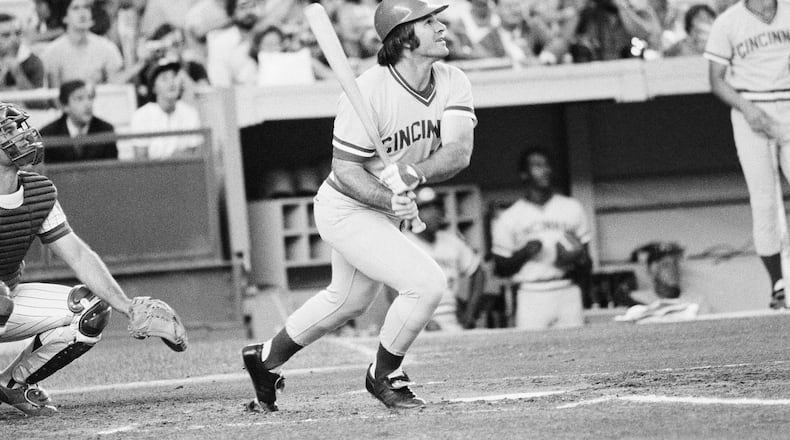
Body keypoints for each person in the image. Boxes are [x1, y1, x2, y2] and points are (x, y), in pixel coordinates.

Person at [242, 0, 476, 412]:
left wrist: (413, 176)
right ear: (404, 38)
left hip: (384, 209)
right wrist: (391, 197)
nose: (442, 27)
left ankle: (264, 360)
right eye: (429, 21)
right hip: (345, 208)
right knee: (426, 284)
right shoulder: (367, 90)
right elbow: (347, 171)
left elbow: (458, 152)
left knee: (347, 300)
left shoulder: (453, 80)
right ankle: (384, 375)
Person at [0, 102, 187, 416]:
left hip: (7, 301)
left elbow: (79, 255)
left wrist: (126, 305)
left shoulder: (38, 192)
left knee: (92, 310)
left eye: (19, 128)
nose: (21, 136)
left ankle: (13, 383)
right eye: (7, 131)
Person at [705, 0, 790, 310]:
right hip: (750, 110)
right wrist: (748, 109)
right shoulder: (728, 23)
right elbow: (716, 79)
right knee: (765, 200)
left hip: (788, 103)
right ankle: (778, 284)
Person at [490, 147, 592, 330]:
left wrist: (577, 257)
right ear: (524, 174)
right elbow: (499, 268)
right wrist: (524, 253)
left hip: (566, 288)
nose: (545, 170)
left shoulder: (571, 207)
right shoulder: (510, 216)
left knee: (578, 349)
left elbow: (587, 261)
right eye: (537, 166)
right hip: (531, 292)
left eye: (547, 165)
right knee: (531, 351)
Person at [404, 187, 484, 331]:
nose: (433, 213)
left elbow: (478, 272)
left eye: (437, 207)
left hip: (451, 319)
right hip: (416, 324)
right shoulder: (404, 242)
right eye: (426, 209)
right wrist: (421, 321)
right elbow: (391, 288)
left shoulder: (451, 241)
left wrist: (470, 314)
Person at [123, 59, 202, 160]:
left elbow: (195, 153)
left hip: (184, 172)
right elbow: (141, 159)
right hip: (153, 174)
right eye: (164, 78)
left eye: (174, 77)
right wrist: (174, 156)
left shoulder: (190, 113)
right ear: (154, 88)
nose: (171, 83)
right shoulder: (141, 115)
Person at [39, 0, 124, 87]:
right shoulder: (52, 52)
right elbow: (54, 94)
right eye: (76, 8)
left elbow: (115, 86)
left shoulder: (107, 48)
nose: (82, 12)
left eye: (86, 7)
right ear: (65, 17)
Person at [39, 79, 118, 162]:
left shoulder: (106, 130)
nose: (88, 104)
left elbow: (112, 171)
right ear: (65, 106)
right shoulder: (47, 134)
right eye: (79, 99)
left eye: (90, 98)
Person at [0, 13, 45, 90]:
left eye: (17, 33)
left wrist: (18, 73)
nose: (14, 39)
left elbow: (39, 101)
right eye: (6, 35)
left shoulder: (33, 61)